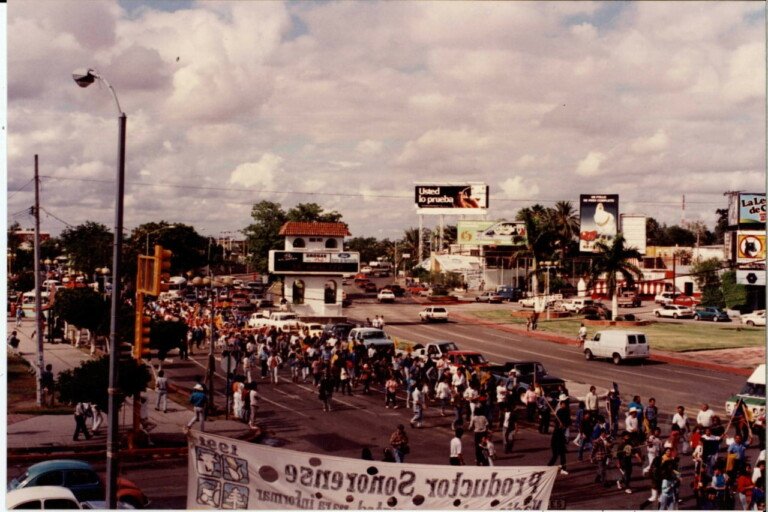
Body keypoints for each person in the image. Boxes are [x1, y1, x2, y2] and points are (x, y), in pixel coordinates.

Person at [548, 397, 571, 475]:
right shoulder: (559, 412)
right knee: (555, 455)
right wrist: (559, 425)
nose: (565, 405)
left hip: (561, 436)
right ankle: (548, 467)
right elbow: (556, 421)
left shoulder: (567, 411)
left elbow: (569, 422)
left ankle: (563, 468)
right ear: (561, 404)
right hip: (556, 437)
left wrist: (564, 425)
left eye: (565, 404)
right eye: (563, 404)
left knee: (562, 454)